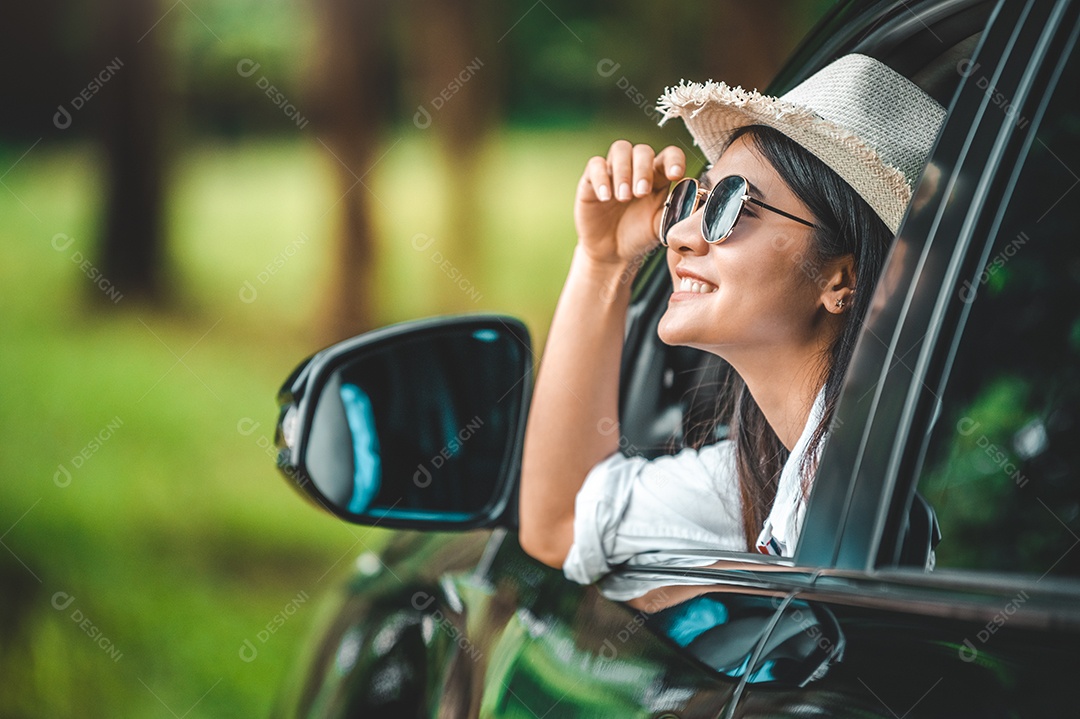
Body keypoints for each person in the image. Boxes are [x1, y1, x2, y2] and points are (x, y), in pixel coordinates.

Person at [517, 54, 946, 600]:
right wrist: (605, 261)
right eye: (694, 200)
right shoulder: (765, 471)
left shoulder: (879, 482)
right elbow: (560, 525)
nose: (678, 237)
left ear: (843, 279)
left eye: (731, 206)